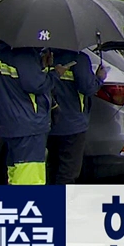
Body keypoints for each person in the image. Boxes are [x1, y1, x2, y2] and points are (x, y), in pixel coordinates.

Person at [0, 42, 55, 185]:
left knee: (16, 171)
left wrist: (42, 65)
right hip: (29, 123)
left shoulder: (2, 51)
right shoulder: (25, 54)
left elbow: (19, 81)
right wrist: (54, 74)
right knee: (30, 177)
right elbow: (36, 84)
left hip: (10, 121)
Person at [45, 49, 107, 185]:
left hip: (50, 122)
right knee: (68, 171)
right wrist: (99, 78)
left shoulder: (46, 56)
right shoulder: (79, 59)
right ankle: (62, 198)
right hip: (73, 125)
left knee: (53, 167)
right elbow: (88, 88)